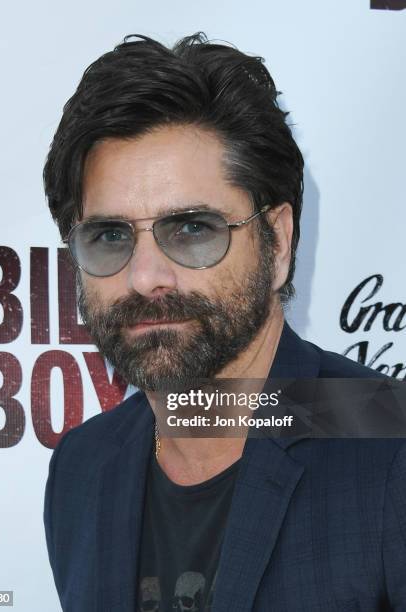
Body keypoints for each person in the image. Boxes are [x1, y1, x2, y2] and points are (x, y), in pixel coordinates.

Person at [42, 32, 406, 611]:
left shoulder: (391, 441)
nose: (145, 277)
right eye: (110, 236)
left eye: (192, 228)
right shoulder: (83, 466)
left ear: (278, 242)